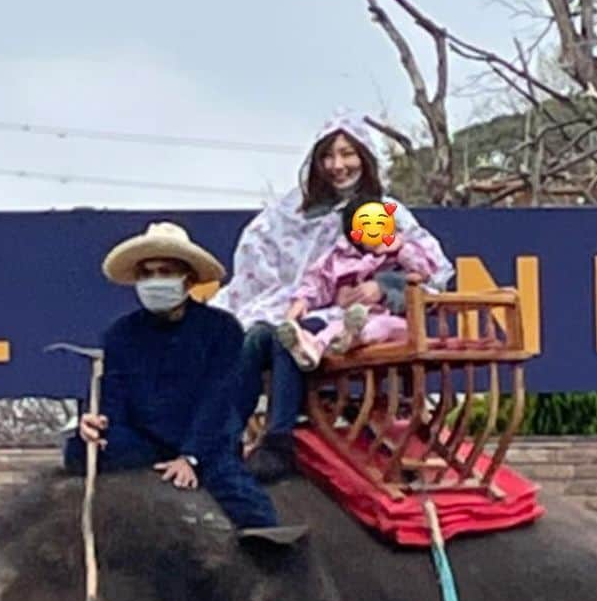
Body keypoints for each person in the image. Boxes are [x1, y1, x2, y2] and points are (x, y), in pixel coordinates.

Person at [210, 111, 453, 481]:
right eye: (328, 156)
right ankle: (225, 438)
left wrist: (384, 286)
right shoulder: (294, 212)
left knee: (283, 338)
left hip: (369, 317)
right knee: (257, 335)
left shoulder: (386, 213)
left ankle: (279, 441)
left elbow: (432, 269)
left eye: (347, 154)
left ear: (365, 157)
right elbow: (305, 269)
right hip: (314, 307)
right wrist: (299, 299)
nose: (337, 165)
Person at [63, 221, 299, 540]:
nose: (155, 280)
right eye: (147, 273)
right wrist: (96, 425)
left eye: (165, 271)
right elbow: (111, 397)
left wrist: (191, 456)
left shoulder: (222, 329)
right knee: (78, 449)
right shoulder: (120, 334)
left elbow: (220, 400)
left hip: (205, 439)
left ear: (187, 278)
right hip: (143, 441)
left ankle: (273, 546)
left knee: (241, 497)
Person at [275, 196, 439, 369]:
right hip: (352, 318)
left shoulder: (400, 254)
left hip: (398, 323)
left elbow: (426, 271)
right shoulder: (341, 258)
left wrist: (401, 250)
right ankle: (313, 347)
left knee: (379, 326)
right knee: (336, 325)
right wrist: (302, 300)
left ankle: (343, 339)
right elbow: (317, 280)